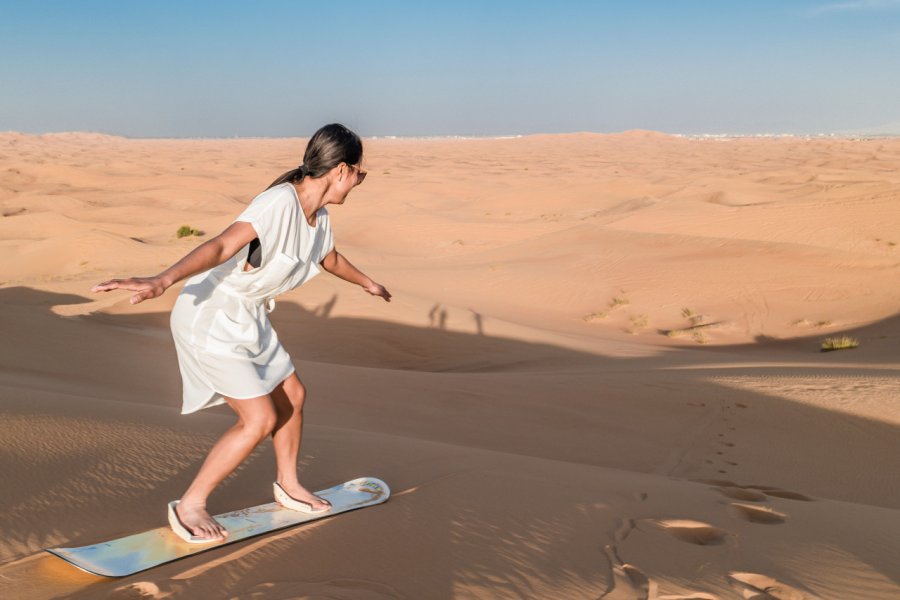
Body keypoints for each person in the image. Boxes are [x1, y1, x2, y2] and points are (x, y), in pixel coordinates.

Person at [91, 123, 391, 542]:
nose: (360, 181)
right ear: (341, 170)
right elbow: (220, 246)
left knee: (294, 395)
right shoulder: (278, 203)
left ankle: (289, 484)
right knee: (259, 419)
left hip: (248, 316)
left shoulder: (318, 218)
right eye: (360, 173)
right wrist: (162, 280)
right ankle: (190, 504)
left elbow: (329, 258)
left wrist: (366, 283)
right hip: (211, 316)